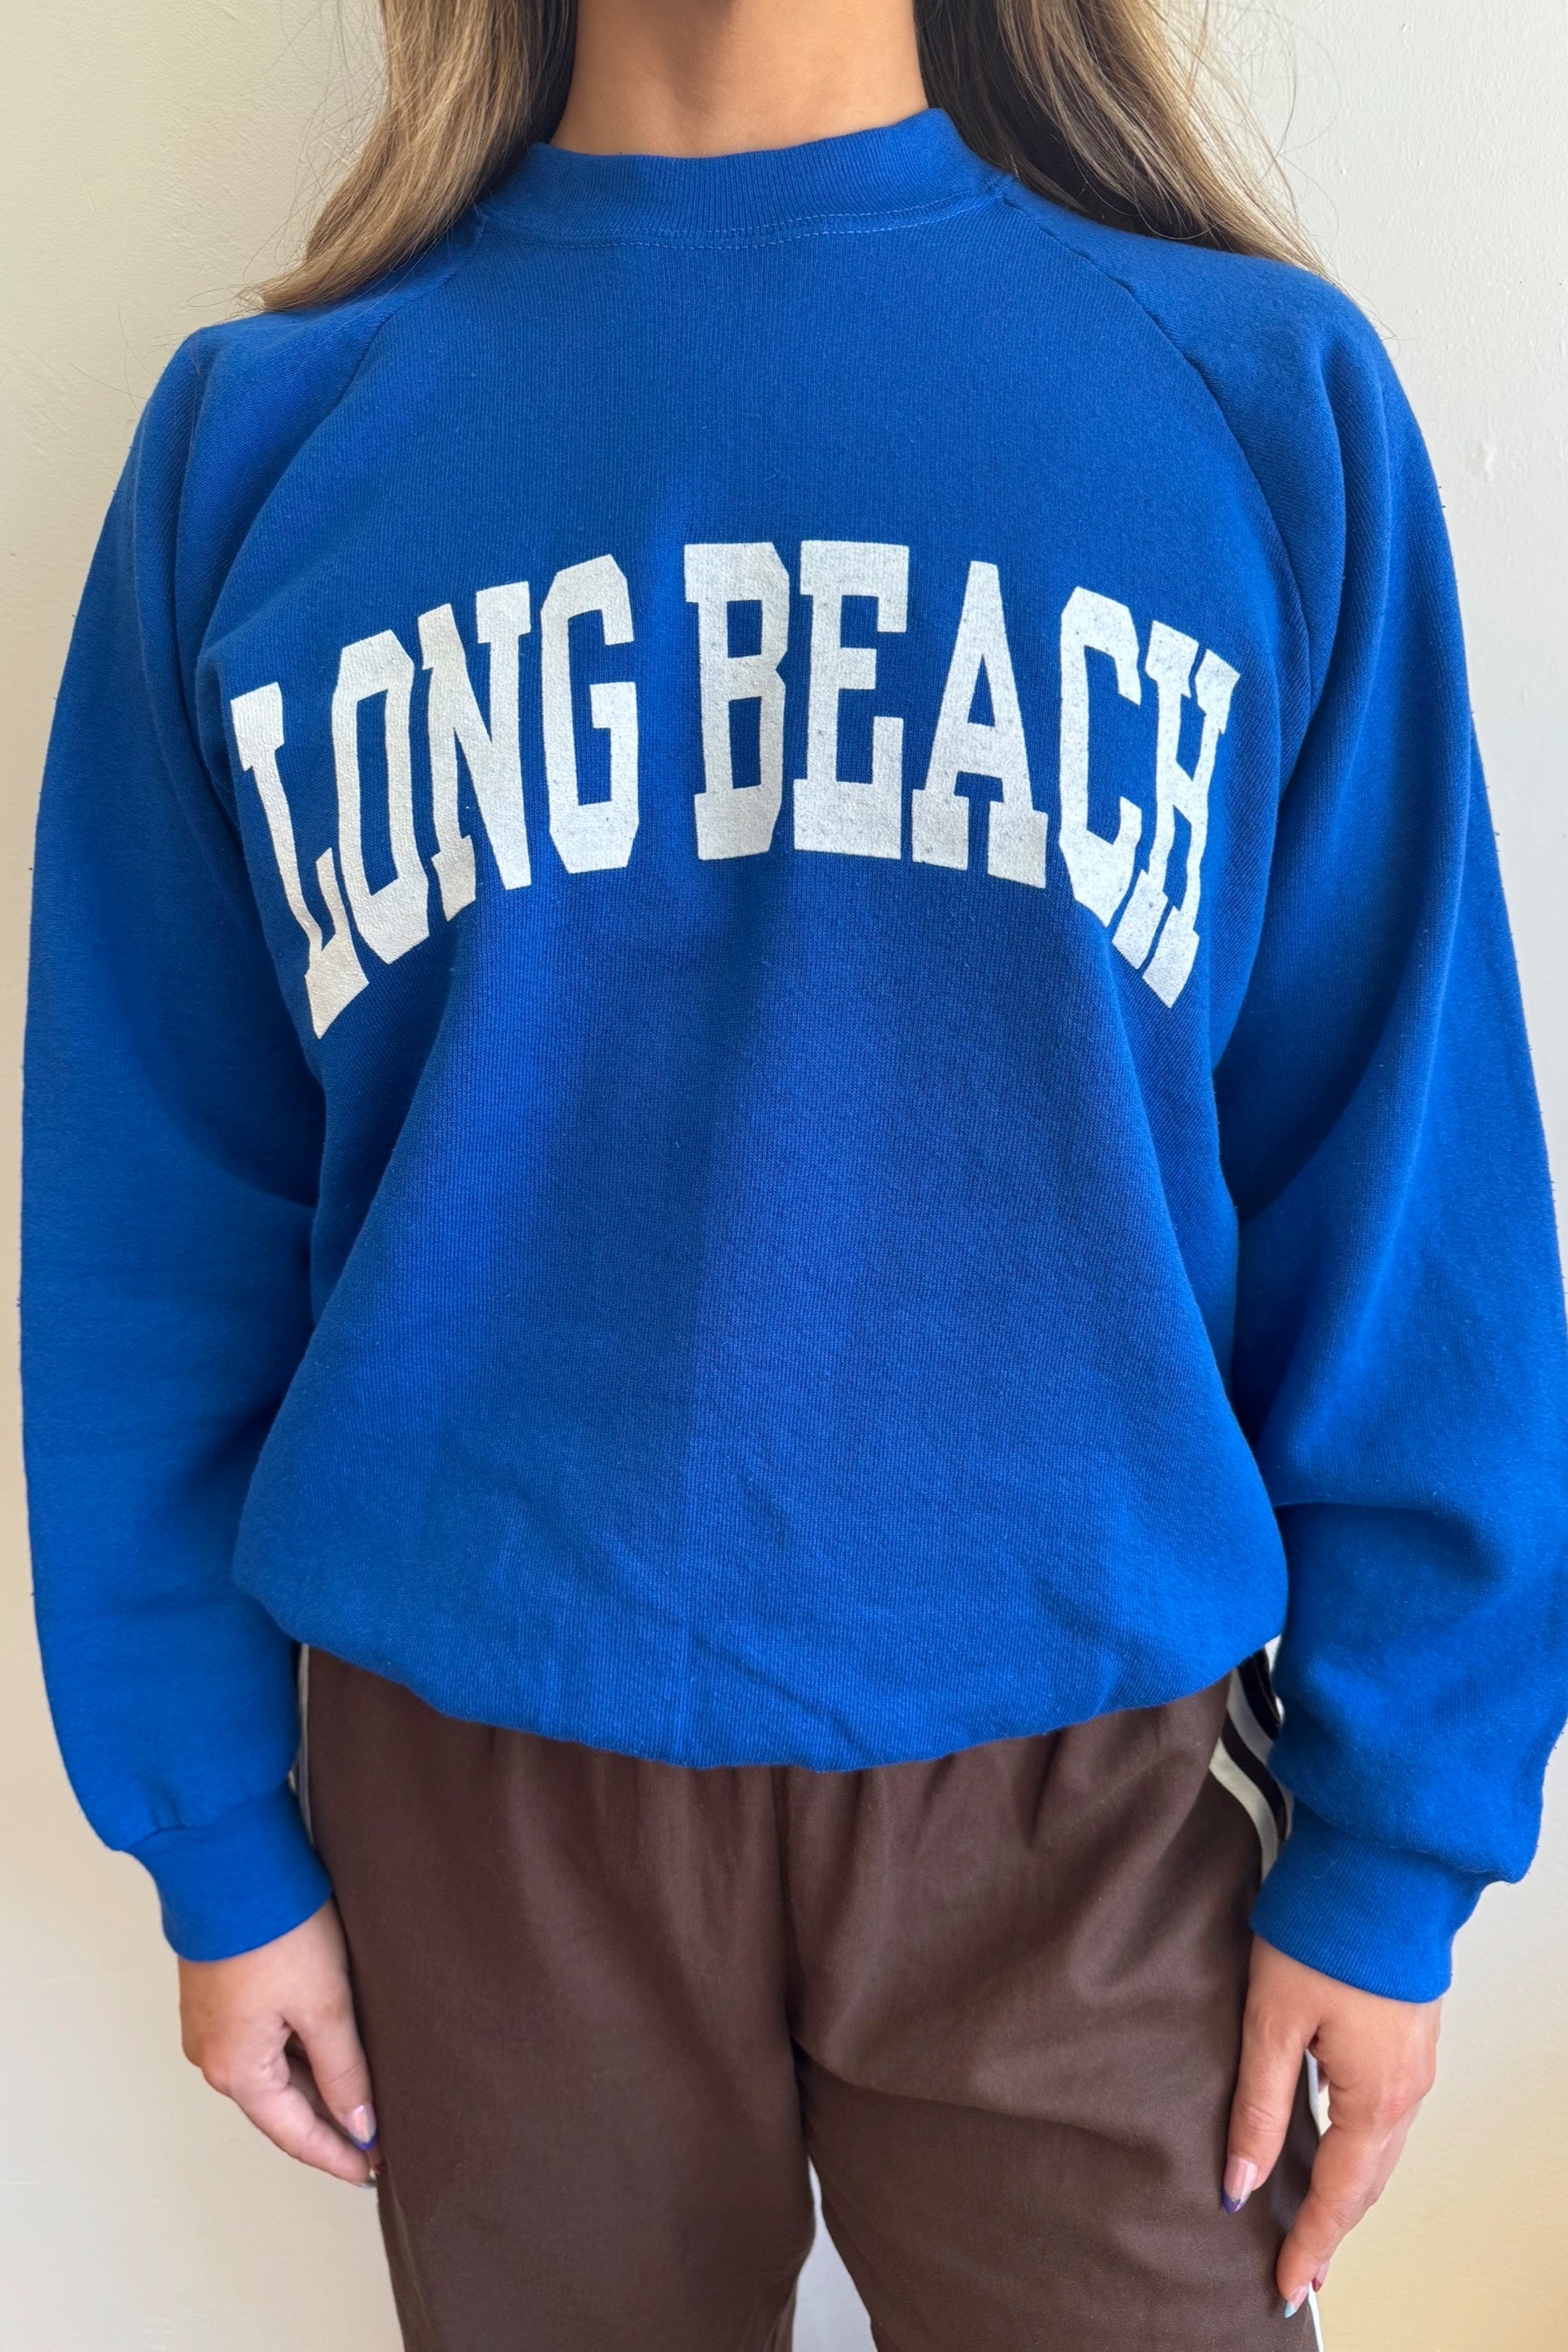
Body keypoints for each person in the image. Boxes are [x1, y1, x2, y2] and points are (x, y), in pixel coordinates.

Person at [23, 0, 1568, 2343]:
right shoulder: (269, 443)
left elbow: (1403, 1183)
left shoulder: (1251, 406)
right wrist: (211, 1830)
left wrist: (1396, 1843)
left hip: (1089, 1781)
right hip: (480, 1769)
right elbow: (152, 1220)